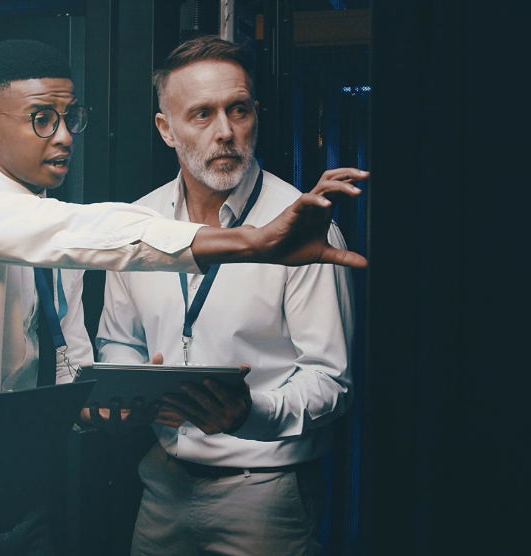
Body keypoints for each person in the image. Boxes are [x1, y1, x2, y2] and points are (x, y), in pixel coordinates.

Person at [0, 37, 364, 556]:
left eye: (71, 118)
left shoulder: (75, 246)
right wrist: (253, 241)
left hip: (25, 497)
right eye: (43, 119)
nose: (64, 137)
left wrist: (102, 407)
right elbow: (72, 232)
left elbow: (75, 374)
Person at [95, 36, 360, 555]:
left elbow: (333, 381)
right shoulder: (136, 223)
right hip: (161, 485)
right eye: (201, 114)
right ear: (165, 129)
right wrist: (138, 390)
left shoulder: (305, 232)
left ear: (255, 114)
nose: (225, 132)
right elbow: (116, 341)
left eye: (237, 110)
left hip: (266, 496)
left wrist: (250, 413)